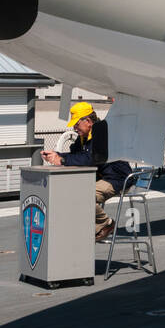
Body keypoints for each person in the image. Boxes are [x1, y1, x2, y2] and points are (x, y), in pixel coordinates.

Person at [41, 102, 132, 240]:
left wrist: (61, 159)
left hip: (116, 178)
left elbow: (90, 159)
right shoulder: (84, 137)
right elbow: (76, 156)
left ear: (88, 121)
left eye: (76, 124)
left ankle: (105, 223)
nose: (74, 127)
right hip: (102, 176)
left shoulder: (102, 134)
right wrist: (56, 155)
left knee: (83, 195)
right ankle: (83, 227)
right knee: (69, 192)